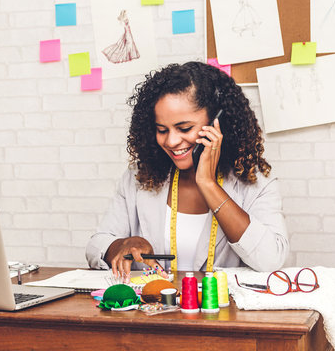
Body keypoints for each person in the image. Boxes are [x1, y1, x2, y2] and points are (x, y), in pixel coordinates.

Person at [86, 62, 288, 277]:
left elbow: (270, 259)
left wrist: (208, 184)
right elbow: (95, 245)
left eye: (184, 128)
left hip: (223, 309)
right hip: (154, 309)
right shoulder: (139, 177)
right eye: (162, 130)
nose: (172, 141)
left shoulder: (254, 182)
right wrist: (125, 244)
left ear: (219, 123)